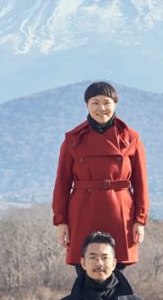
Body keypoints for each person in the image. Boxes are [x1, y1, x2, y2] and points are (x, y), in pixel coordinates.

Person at [52, 81, 149, 269]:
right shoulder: (73, 139)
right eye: (95, 102)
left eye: (106, 102)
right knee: (84, 267)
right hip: (82, 210)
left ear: (115, 104)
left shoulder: (131, 137)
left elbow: (141, 182)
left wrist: (140, 219)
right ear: (86, 105)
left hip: (120, 210)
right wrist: (61, 221)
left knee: (117, 269)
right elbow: (62, 183)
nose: (101, 108)